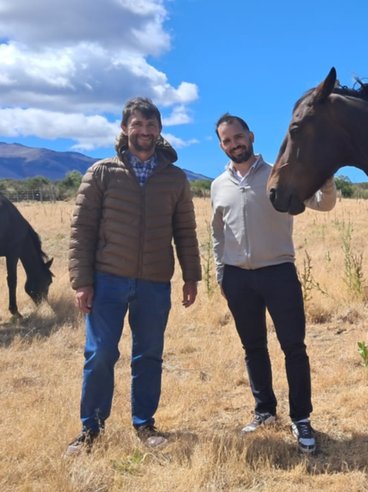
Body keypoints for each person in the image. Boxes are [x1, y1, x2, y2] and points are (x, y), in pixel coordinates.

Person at [66, 97, 201, 456]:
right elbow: (82, 229)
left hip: (155, 282)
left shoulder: (174, 178)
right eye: (137, 125)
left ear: (159, 131)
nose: (144, 132)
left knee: (149, 354)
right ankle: (90, 429)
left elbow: (185, 230)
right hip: (107, 279)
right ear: (125, 128)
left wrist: (191, 276)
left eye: (151, 126)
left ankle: (144, 423)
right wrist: (82, 281)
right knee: (100, 354)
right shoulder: (102, 173)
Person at [211, 114, 336, 454]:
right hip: (238, 277)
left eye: (239, 136)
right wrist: (221, 273)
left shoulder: (278, 175)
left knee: (293, 348)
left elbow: (323, 204)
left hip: (278, 272)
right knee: (253, 348)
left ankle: (301, 419)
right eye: (227, 140)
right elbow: (217, 234)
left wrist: (326, 176)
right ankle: (264, 411)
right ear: (221, 145)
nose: (235, 144)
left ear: (250, 135)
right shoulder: (217, 185)